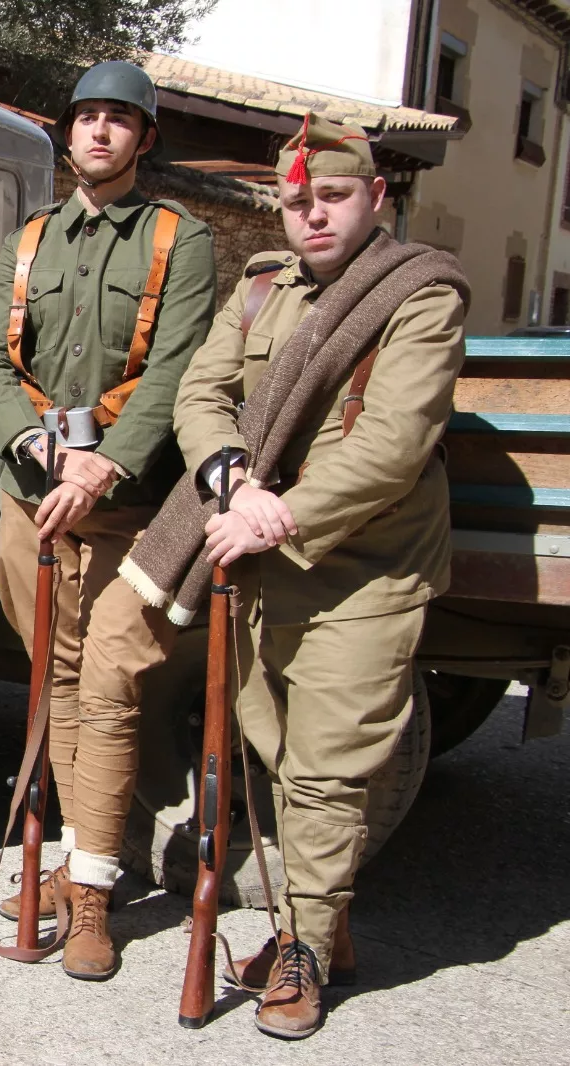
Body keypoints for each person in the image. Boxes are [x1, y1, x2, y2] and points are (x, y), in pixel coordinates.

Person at [124, 112, 468, 1039]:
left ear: (376, 197)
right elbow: (204, 393)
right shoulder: (263, 287)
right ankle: (327, 929)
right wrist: (233, 476)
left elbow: (395, 445)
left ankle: (304, 949)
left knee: (326, 770)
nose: (311, 214)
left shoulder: (421, 294)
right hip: (257, 545)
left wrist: (281, 512)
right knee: (271, 746)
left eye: (333, 197)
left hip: (363, 563)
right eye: (297, 199)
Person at [0, 60, 216, 978]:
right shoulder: (28, 238)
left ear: (145, 140)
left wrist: (104, 465)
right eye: (88, 118)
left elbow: (177, 371)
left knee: (105, 690)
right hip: (32, 500)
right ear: (66, 133)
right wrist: (39, 451)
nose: (101, 133)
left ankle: (94, 893)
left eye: (121, 121)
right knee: (56, 687)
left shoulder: (176, 239)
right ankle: (73, 860)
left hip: (123, 510)